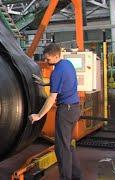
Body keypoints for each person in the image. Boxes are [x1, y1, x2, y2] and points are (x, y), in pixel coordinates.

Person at [30, 43, 82, 180]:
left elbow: (52, 98)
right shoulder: (67, 64)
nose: (45, 62)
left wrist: (39, 115)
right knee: (67, 145)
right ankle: (77, 176)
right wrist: (44, 83)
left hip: (66, 111)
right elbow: (63, 82)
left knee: (61, 149)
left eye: (48, 59)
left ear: (56, 56)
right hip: (75, 108)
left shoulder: (56, 72)